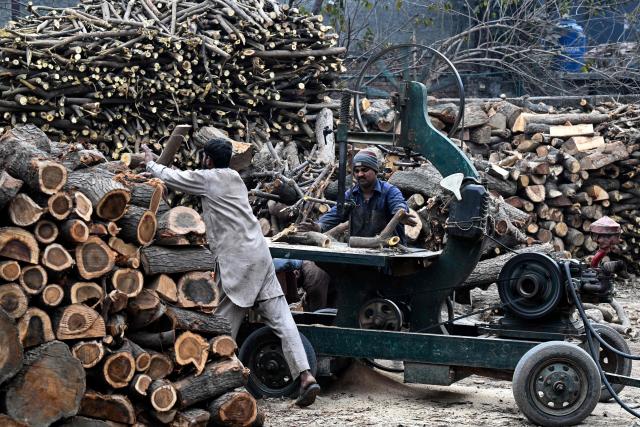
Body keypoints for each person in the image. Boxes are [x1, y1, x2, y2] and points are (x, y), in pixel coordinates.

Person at [141, 139, 320, 407]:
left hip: (237, 261)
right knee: (283, 320)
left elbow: (175, 178)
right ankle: (306, 377)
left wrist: (150, 162)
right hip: (260, 255)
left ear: (208, 160)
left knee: (222, 327)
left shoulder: (209, 179)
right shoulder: (234, 177)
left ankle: (212, 383)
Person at [299, 147, 415, 242]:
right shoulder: (351, 195)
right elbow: (335, 214)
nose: (360, 174)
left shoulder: (390, 191)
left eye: (364, 170)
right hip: (360, 251)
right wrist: (319, 226)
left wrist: (400, 214)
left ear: (375, 171)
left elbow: (398, 204)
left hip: (388, 253)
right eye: (356, 170)